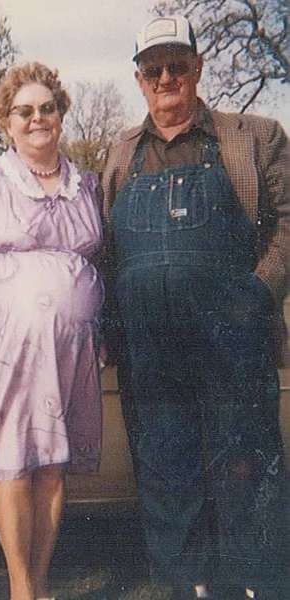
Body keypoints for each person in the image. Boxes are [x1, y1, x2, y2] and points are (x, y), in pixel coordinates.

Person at [101, 15, 289, 600]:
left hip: (234, 336)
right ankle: (189, 586)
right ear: (139, 79)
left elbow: (288, 223)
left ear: (199, 68)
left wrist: (258, 292)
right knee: (165, 469)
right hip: (150, 349)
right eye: (153, 69)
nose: (166, 78)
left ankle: (259, 584)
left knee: (245, 464)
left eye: (177, 65)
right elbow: (104, 244)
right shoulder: (120, 153)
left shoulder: (253, 136)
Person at [0, 62, 104, 600]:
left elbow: (96, 261)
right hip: (8, 349)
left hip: (70, 348)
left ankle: (39, 582)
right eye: (24, 111)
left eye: (47, 108)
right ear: (6, 122)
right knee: (13, 461)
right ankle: (20, 588)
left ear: (60, 115)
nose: (37, 118)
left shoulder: (86, 185)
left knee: (52, 466)